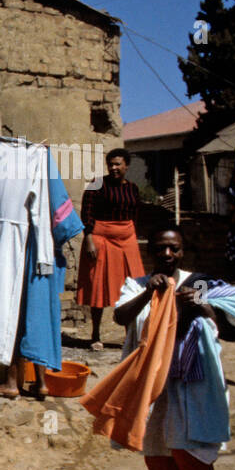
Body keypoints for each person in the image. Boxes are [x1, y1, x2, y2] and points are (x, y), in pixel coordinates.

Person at [110, 227, 235, 470]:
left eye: (174, 249)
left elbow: (231, 332)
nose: (167, 255)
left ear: (183, 251)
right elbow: (120, 316)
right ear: (150, 252)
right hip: (152, 389)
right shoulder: (138, 285)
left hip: (192, 386)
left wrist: (203, 307)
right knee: (158, 458)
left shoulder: (201, 284)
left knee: (190, 454)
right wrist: (148, 294)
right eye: (160, 249)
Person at [77, 148, 144, 351]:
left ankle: (130, 335)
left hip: (126, 239)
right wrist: (89, 239)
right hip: (101, 238)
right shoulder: (97, 184)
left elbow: (136, 214)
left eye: (118, 164)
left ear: (126, 166)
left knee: (132, 286)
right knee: (98, 287)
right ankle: (95, 334)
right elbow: (86, 213)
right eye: (111, 164)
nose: (114, 168)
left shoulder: (132, 188)